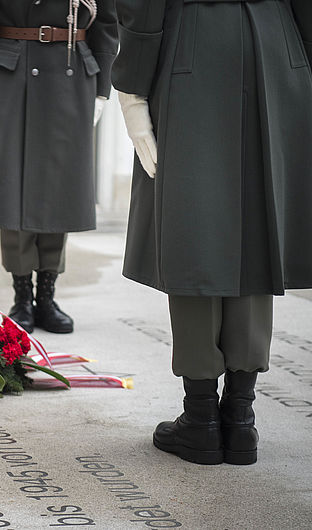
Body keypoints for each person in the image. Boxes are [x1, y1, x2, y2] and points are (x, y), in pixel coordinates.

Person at [113, 0, 312, 465]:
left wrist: (133, 92)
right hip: (279, 42)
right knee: (257, 231)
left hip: (196, 43)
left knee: (194, 227)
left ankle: (201, 419)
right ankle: (240, 420)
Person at [0, 0, 118, 334]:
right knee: (14, 186)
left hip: (74, 72)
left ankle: (46, 295)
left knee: (58, 188)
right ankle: (22, 297)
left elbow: (107, 22)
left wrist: (102, 90)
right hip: (13, 74)